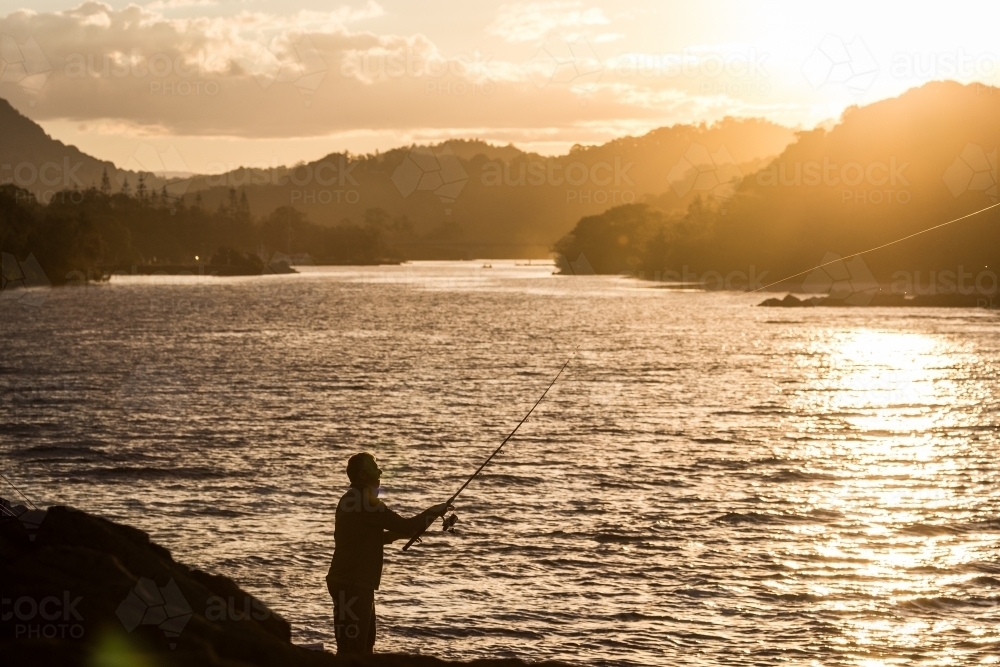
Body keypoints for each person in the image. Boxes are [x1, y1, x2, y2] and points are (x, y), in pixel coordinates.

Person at [326, 452, 452, 654]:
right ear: (363, 475)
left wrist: (397, 535)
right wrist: (435, 511)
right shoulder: (366, 502)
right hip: (352, 584)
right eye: (375, 468)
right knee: (352, 651)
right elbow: (407, 525)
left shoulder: (349, 499)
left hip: (352, 581)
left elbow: (361, 538)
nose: (380, 472)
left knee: (364, 645)